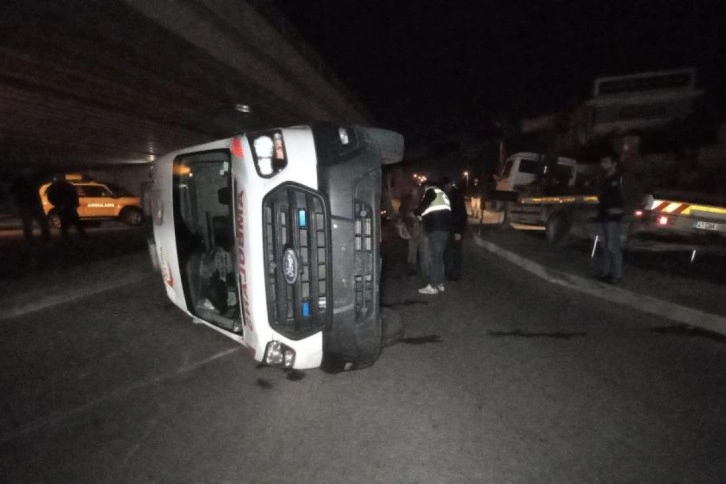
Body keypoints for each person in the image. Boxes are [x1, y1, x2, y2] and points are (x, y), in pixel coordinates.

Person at [414, 179, 451, 294]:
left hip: (435, 229)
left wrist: (417, 212)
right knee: (439, 257)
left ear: (427, 186)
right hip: (445, 229)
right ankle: (440, 283)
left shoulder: (431, 191)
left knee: (435, 258)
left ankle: (433, 286)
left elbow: (423, 205)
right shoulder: (443, 194)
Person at [596, 153, 624, 284]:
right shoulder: (604, 178)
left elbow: (626, 196)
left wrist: (620, 209)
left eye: (606, 162)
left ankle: (616, 275)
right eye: (602, 162)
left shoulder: (619, 179)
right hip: (603, 215)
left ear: (614, 164)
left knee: (613, 246)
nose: (603, 164)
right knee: (605, 246)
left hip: (613, 217)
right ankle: (606, 272)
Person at [9, 167, 51, 245]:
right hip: (29, 204)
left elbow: (12, 192)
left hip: (29, 204)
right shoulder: (26, 181)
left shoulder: (23, 181)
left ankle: (36, 240)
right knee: (33, 223)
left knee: (31, 223)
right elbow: (12, 192)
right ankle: (40, 239)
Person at [442, 177, 467, 281]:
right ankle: (449, 273)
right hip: (450, 228)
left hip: (455, 228)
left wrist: (458, 231)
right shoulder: (449, 195)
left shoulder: (455, 196)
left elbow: (461, 215)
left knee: (454, 252)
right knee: (449, 251)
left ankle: (454, 274)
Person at [46, 175, 86, 240]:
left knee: (75, 223)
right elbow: (50, 197)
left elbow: (74, 196)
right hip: (65, 207)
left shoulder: (65, 186)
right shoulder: (56, 187)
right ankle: (70, 238)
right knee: (70, 223)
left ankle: (77, 237)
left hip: (68, 207)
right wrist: (58, 204)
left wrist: (75, 205)